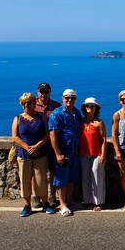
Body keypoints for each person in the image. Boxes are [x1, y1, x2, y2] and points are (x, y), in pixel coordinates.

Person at [12, 92, 56, 217]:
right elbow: (15, 137)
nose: (27, 105)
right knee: (25, 181)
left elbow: (47, 135)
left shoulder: (42, 117)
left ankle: (45, 203)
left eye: (29, 103)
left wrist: (36, 146)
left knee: (41, 180)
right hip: (24, 156)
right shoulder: (18, 118)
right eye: (24, 103)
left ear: (34, 103)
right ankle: (27, 205)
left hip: (40, 154)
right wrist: (27, 148)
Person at [48, 88, 83, 216]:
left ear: (75, 100)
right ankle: (62, 204)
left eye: (72, 98)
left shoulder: (77, 113)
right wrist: (58, 153)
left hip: (74, 152)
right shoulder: (56, 114)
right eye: (67, 98)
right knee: (62, 179)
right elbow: (53, 135)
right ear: (63, 99)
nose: (69, 100)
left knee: (71, 178)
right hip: (62, 152)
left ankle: (71, 200)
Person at [34, 82, 61, 208]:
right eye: (41, 91)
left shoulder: (56, 106)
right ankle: (36, 195)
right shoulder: (31, 103)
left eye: (46, 92)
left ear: (50, 92)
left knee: (52, 170)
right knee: (36, 171)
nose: (43, 94)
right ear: (37, 92)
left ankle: (52, 195)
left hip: (51, 144)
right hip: (36, 144)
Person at [79, 97, 107, 211]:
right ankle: (87, 201)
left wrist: (103, 154)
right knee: (86, 177)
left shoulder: (99, 123)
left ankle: (99, 201)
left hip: (97, 154)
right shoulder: (81, 122)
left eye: (92, 106)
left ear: (96, 108)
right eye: (87, 106)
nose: (89, 108)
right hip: (84, 153)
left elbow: (104, 139)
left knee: (97, 176)